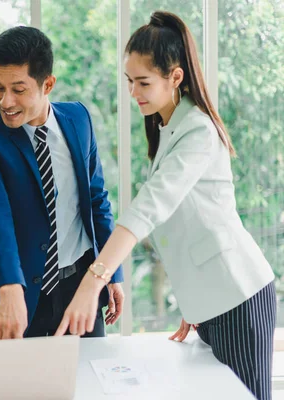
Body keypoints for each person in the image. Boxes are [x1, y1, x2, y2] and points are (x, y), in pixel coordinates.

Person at [56, 11, 276, 399]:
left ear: (175, 77)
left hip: (238, 296)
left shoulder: (198, 131)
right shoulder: (168, 126)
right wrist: (195, 300)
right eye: (129, 81)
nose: (134, 92)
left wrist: (94, 281)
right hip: (212, 301)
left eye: (144, 82)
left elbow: (150, 207)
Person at [0, 26, 125, 340]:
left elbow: (96, 201)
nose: (5, 101)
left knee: (86, 385)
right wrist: (9, 289)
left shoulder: (78, 119)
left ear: (47, 84)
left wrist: (111, 272)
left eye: (18, 89)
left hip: (80, 287)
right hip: (15, 292)